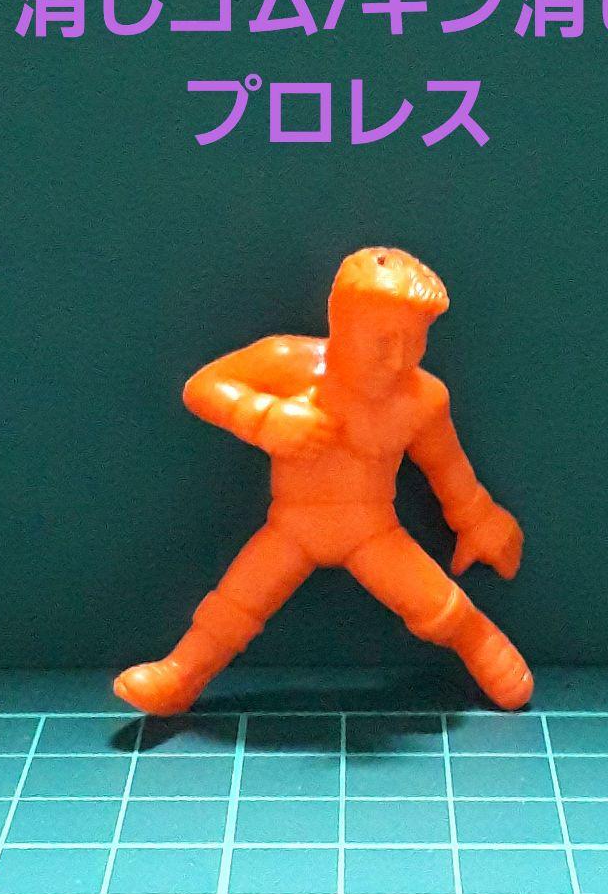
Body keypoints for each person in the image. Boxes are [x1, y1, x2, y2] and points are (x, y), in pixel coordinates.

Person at [115, 247, 532, 714]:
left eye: (414, 341)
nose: (397, 360)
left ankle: (479, 639)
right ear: (341, 325)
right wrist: (264, 417)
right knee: (236, 602)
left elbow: (448, 467)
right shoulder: (288, 363)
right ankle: (181, 673)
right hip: (291, 526)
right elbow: (204, 386)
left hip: (373, 531)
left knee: (434, 602)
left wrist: (478, 519)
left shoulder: (423, 399)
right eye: (382, 340)